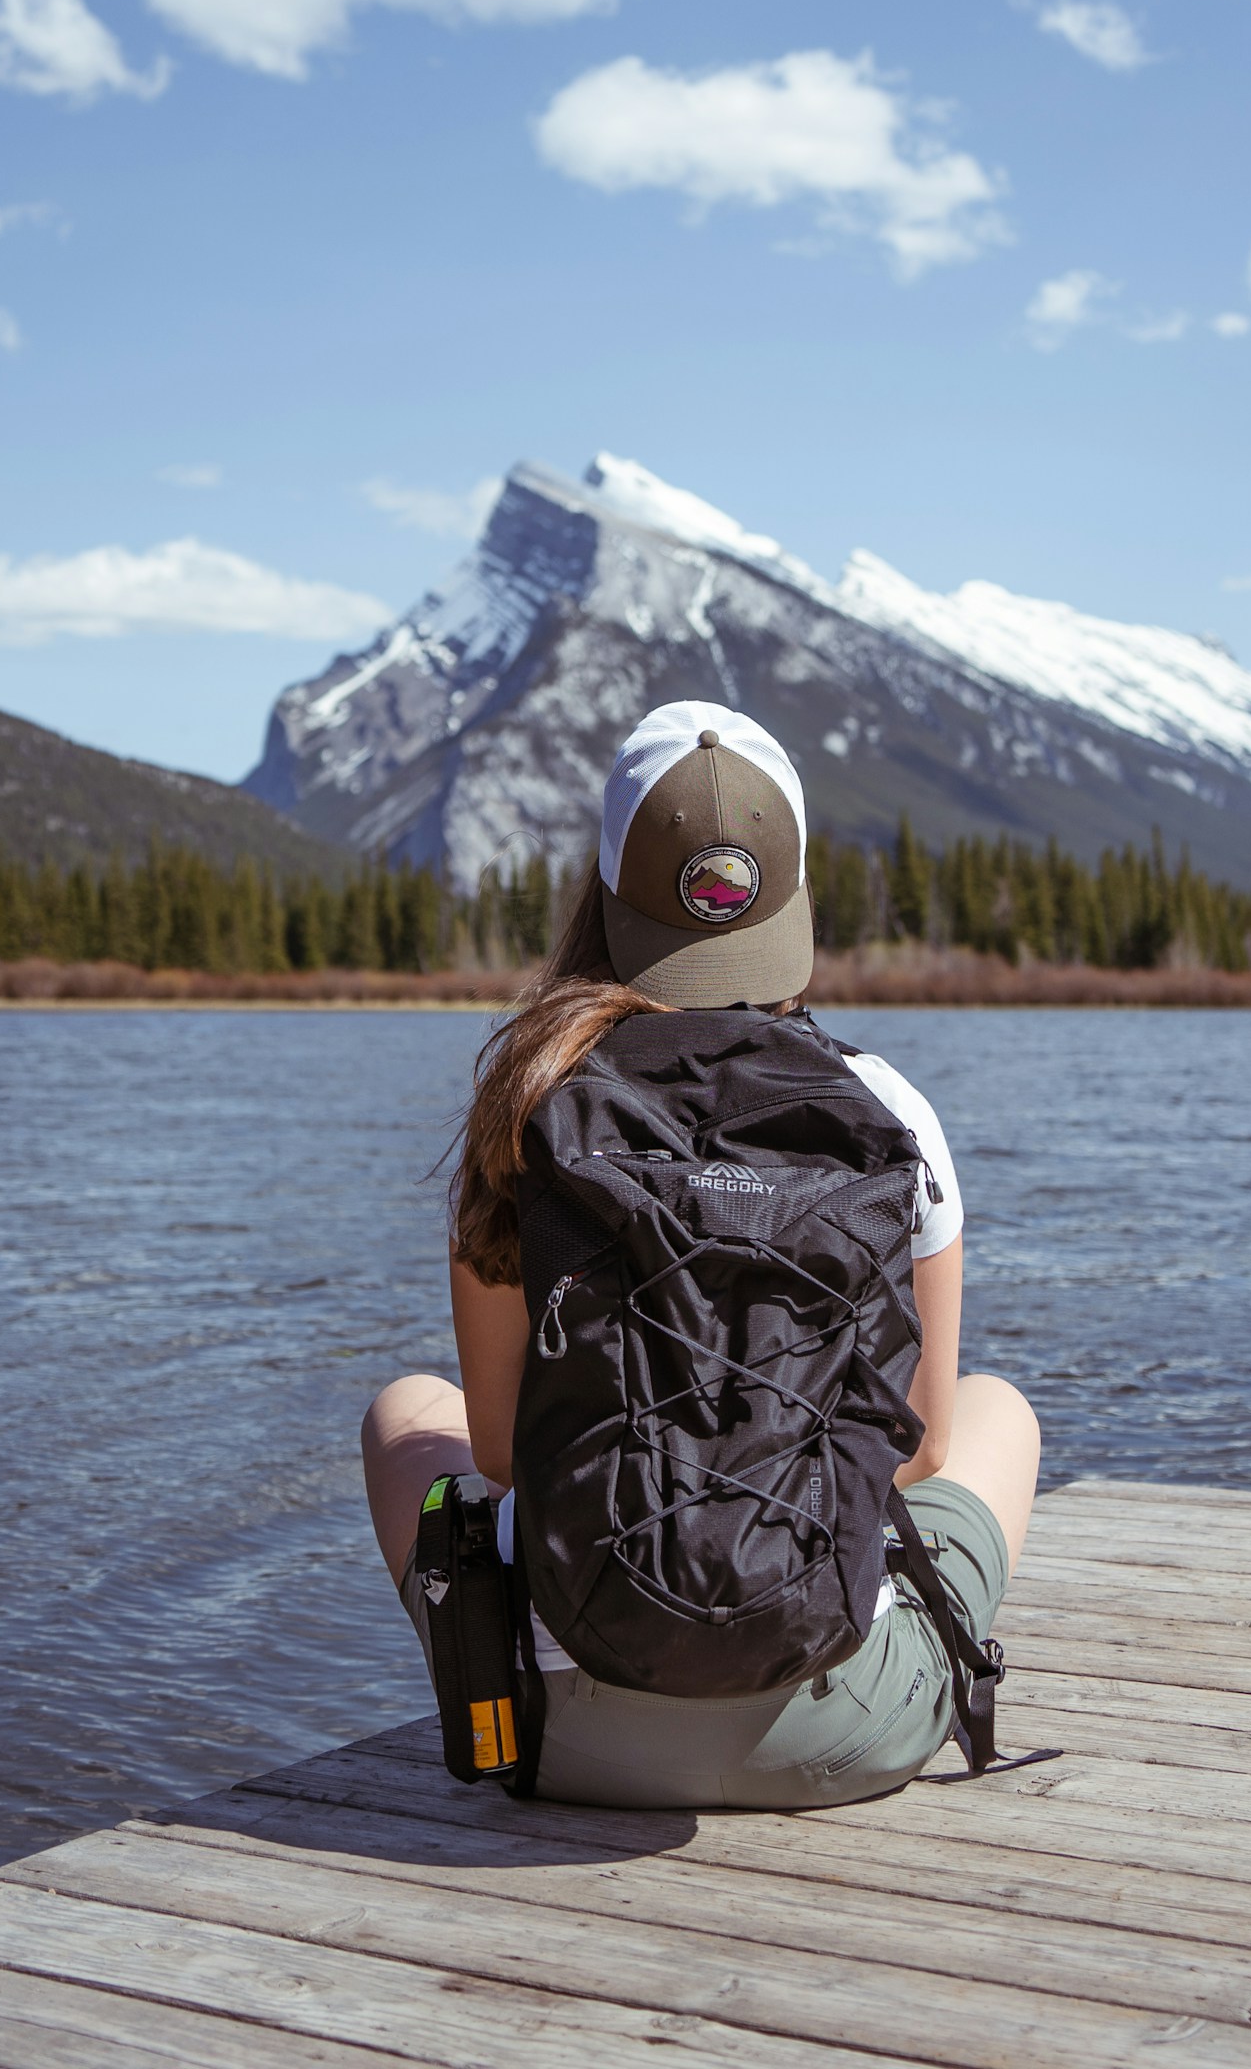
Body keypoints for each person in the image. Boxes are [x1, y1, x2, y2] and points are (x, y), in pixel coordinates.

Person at [361, 700, 1040, 1807]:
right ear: (794, 903)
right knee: (998, 1408)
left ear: (611, 899)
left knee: (405, 1412)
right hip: (844, 1724)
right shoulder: (887, 1109)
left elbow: (499, 1453)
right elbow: (914, 1453)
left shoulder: (526, 1102)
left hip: (559, 1727)